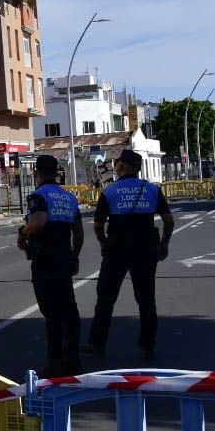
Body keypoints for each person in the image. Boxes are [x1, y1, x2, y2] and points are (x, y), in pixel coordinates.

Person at [88, 148, 175, 359]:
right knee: (146, 299)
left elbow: (98, 225)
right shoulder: (152, 190)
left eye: (117, 164)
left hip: (117, 248)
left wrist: (103, 243)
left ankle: (97, 344)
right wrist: (164, 244)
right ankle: (148, 346)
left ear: (121, 166)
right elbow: (168, 220)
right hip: (146, 248)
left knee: (106, 298)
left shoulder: (110, 192)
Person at [17, 154, 85, 375]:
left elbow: (39, 221)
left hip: (45, 257)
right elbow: (79, 232)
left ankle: (55, 362)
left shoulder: (39, 196)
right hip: (64, 256)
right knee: (69, 309)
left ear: (36, 172)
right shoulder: (69, 197)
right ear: (57, 172)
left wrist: (23, 232)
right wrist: (74, 256)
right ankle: (72, 356)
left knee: (51, 312)